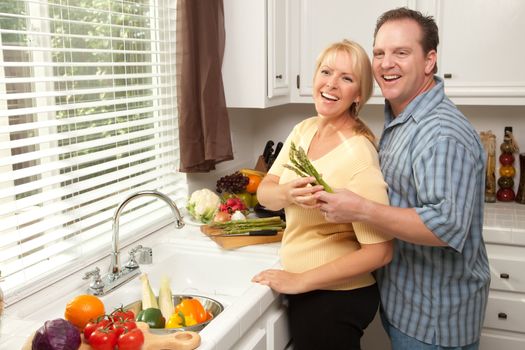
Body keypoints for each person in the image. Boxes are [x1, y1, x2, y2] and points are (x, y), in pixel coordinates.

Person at [314, 8, 490, 350]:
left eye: (401, 53)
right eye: (379, 53)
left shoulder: (441, 133)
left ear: (429, 61)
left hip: (435, 322)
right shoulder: (403, 118)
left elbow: (444, 226)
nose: (385, 63)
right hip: (408, 307)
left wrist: (360, 209)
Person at [251, 39, 394, 350]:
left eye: (346, 77)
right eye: (326, 72)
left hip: (335, 297)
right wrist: (287, 193)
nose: (331, 84)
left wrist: (300, 281)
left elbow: (380, 252)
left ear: (358, 94)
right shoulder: (304, 130)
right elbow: (264, 193)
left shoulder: (358, 154)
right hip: (311, 288)